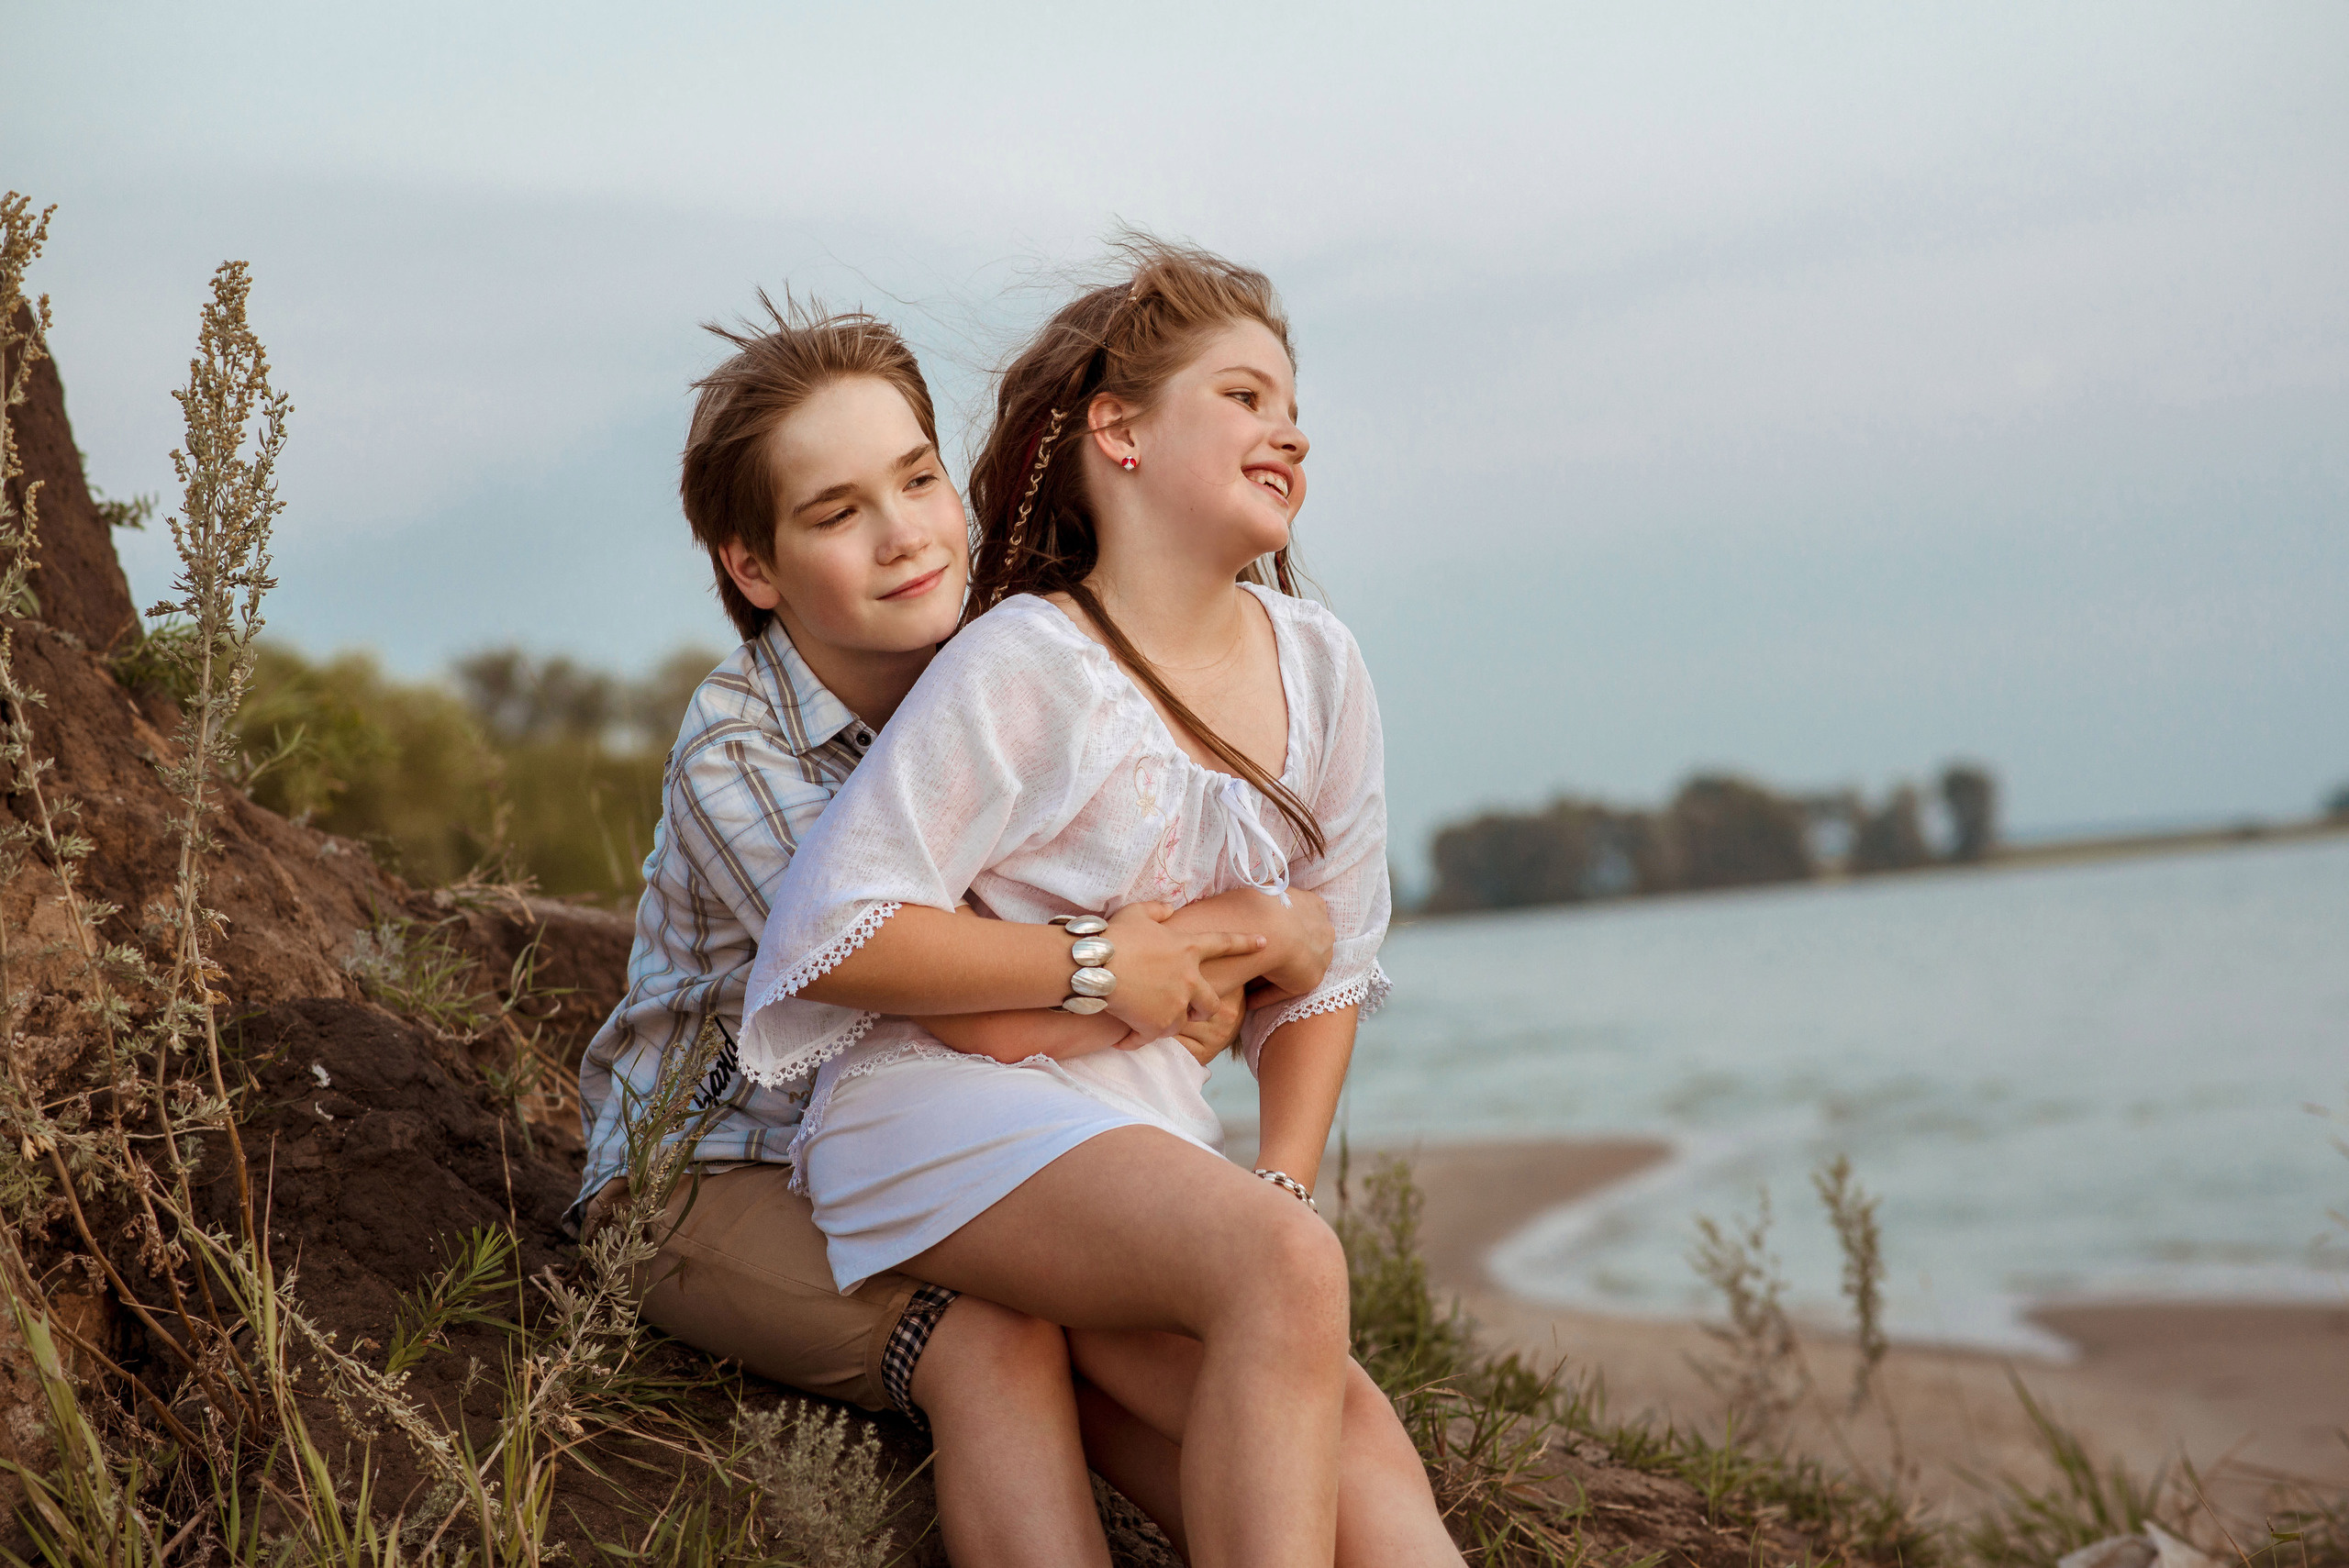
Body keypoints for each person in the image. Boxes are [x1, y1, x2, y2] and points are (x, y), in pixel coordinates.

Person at [571, 298, 1331, 1565]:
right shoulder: (739, 752)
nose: (905, 534)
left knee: (1228, 1359)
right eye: (837, 513)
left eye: (918, 479)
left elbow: (1124, 936)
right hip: (716, 1169)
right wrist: (1159, 961)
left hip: (951, 1137)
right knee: (992, 1338)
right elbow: (929, 974)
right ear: (754, 570)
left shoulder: (1007, 668)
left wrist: (1238, 941)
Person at [740, 239, 1464, 1568]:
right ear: (1120, 434)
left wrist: (1282, 1179)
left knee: (1366, 1464)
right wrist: (1126, 965)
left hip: (1140, 1129)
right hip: (938, 1114)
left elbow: (1340, 959)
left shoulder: (1323, 667)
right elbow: (836, 931)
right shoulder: (1025, 662)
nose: (1289, 431)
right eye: (1243, 396)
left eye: (1290, 404)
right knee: (1282, 1272)